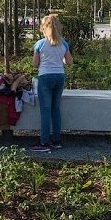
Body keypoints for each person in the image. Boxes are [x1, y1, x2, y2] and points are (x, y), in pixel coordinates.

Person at [30, 14, 73, 152]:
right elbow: (69, 62)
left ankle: (44, 142)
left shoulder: (40, 44)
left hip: (45, 77)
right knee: (55, 109)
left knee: (45, 111)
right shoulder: (63, 43)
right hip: (59, 76)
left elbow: (35, 64)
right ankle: (56, 140)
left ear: (43, 28)